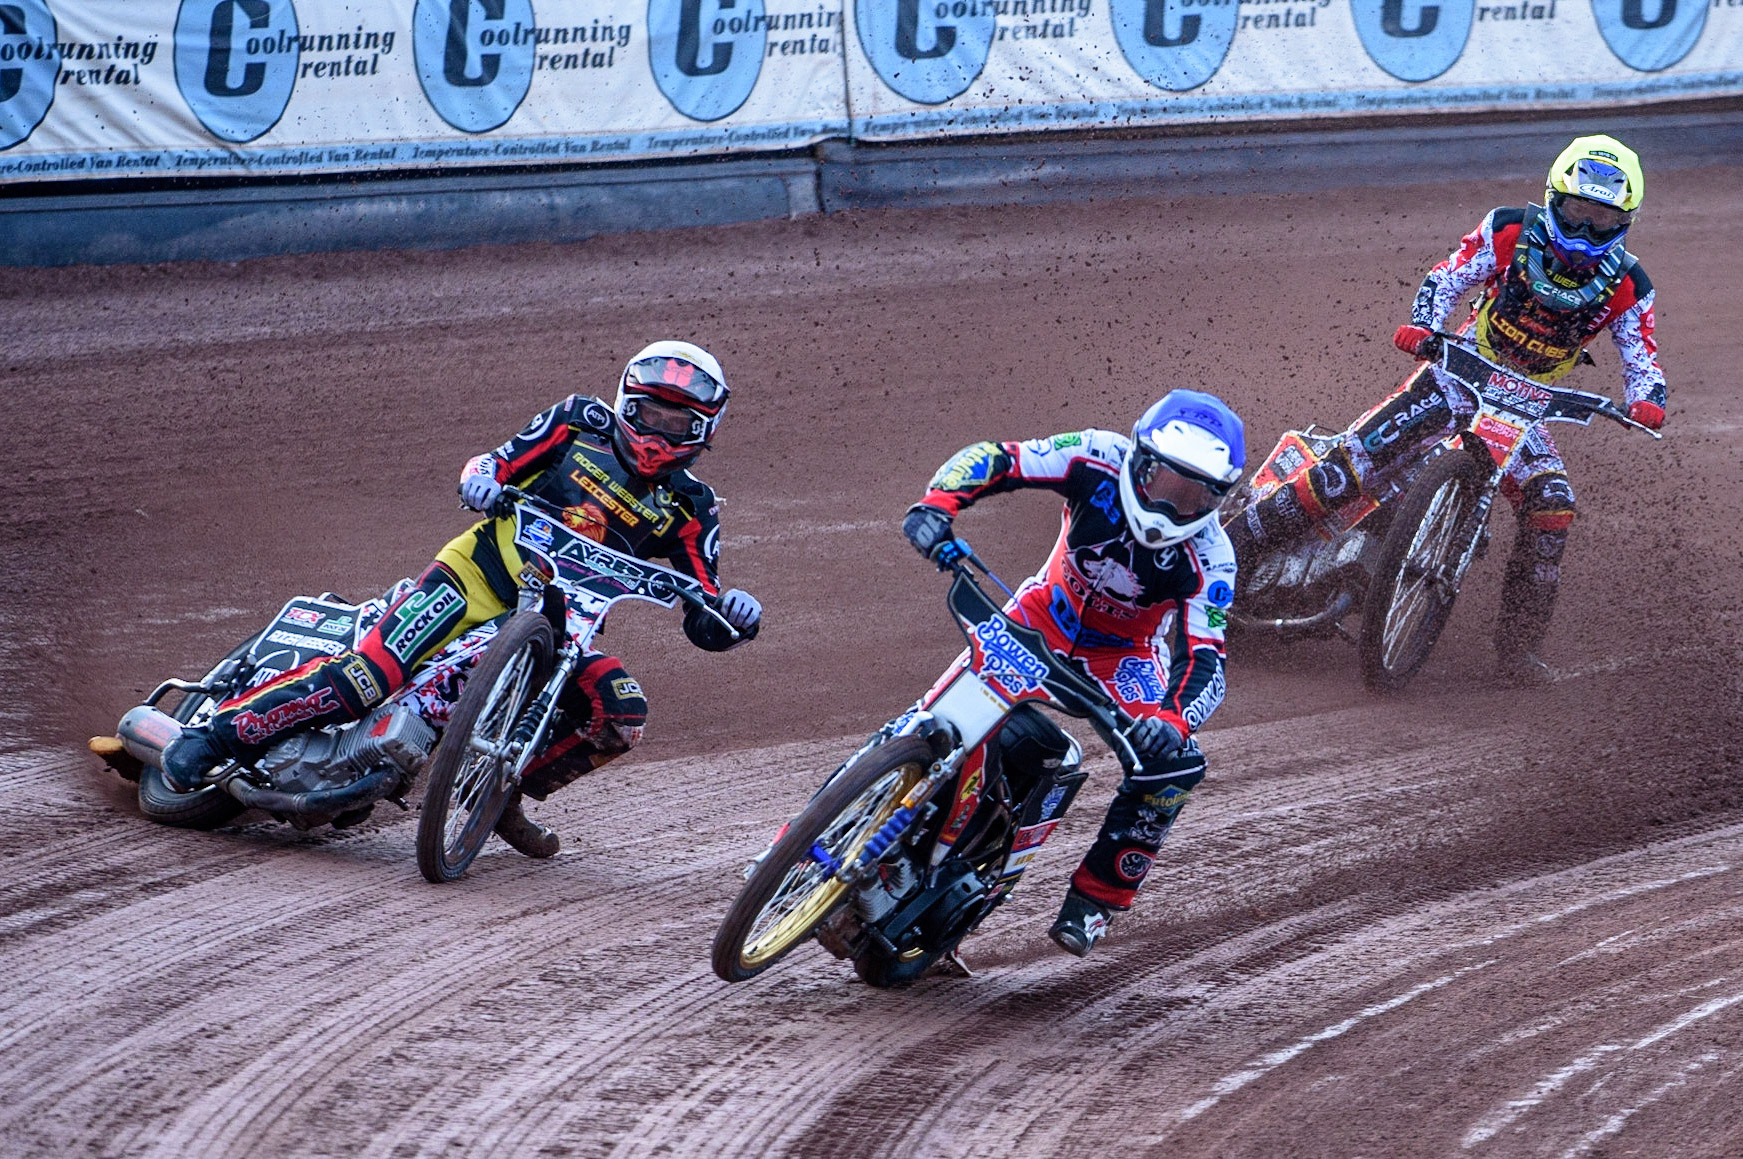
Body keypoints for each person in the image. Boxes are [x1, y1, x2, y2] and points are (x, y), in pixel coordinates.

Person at [162, 341, 763, 856]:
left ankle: (504, 795)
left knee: (622, 713)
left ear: (703, 432)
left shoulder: (693, 506)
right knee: (369, 676)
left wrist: (732, 617)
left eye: (677, 424)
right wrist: (481, 482)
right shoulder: (580, 421)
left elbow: (702, 610)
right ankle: (219, 736)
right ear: (625, 403)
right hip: (474, 577)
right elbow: (497, 460)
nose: (658, 432)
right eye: (649, 413)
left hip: (565, 628)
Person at [1230, 134, 1666, 683]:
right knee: (1354, 466)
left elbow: (1642, 355)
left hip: (1527, 407)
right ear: (1555, 199)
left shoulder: (1629, 284)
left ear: (1624, 220)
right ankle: (1228, 551)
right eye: (1577, 211)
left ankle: (1517, 651)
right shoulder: (1509, 228)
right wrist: (1424, 325)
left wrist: (1648, 400)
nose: (1583, 232)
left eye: (1601, 219)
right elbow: (1448, 275)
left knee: (1553, 504)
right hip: (1460, 373)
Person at [902, 389, 1244, 957]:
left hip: (1123, 660)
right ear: (1138, 458)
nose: (1168, 507)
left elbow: (1208, 658)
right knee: (933, 725)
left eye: (1191, 496)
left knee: (1174, 765)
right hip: (1037, 618)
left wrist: (1175, 719)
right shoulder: (1095, 455)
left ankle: (1096, 903)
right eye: (1163, 482)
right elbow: (998, 457)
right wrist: (937, 505)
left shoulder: (1213, 558)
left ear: (1217, 499)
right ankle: (872, 809)